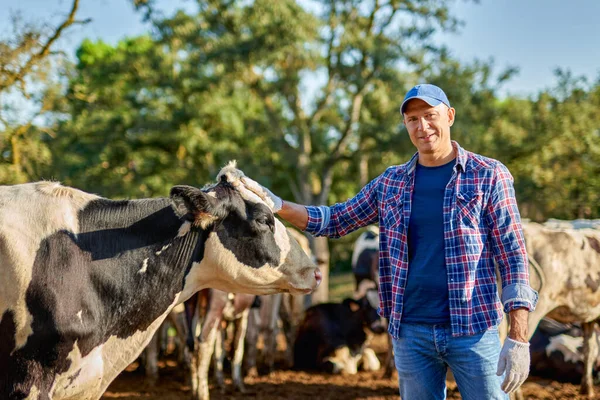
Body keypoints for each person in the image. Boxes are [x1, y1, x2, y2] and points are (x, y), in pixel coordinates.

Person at [238, 83, 538, 399]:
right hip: (410, 334)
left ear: (449, 116)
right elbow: (335, 219)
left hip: (473, 330)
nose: (422, 127)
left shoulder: (488, 175)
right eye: (412, 119)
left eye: (430, 115)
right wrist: (279, 205)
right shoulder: (391, 182)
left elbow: (513, 254)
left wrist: (518, 337)